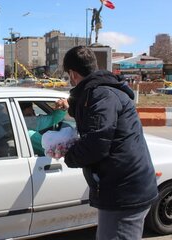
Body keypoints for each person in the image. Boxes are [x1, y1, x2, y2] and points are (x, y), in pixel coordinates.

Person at [62, 46, 158, 240]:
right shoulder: (102, 91)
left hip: (124, 192)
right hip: (124, 187)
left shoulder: (102, 95)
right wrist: (69, 105)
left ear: (72, 74)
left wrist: (68, 154)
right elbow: (90, 113)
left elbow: (97, 142)